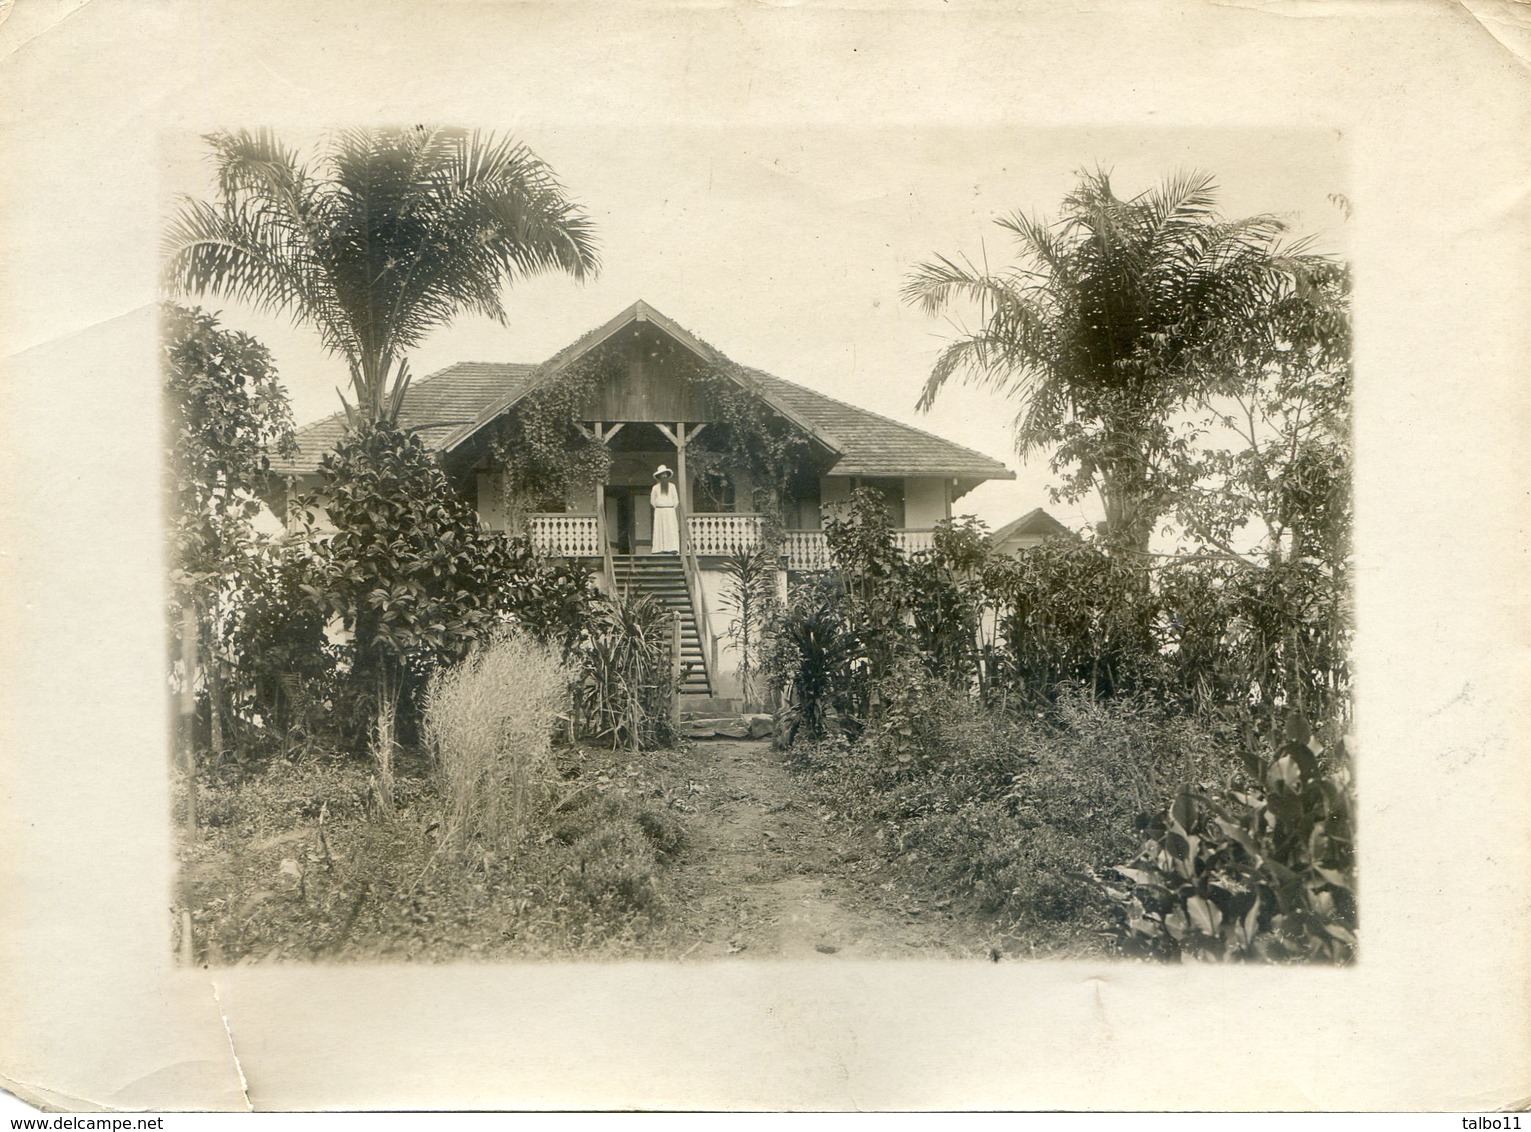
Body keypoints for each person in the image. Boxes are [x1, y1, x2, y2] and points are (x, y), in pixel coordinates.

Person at [650, 465, 680, 554]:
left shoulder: (672, 487)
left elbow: (676, 501)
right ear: (659, 477)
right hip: (659, 511)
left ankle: (672, 548)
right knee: (659, 529)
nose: (664, 477)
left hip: (670, 511)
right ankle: (659, 549)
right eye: (661, 475)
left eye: (665, 475)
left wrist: (669, 508)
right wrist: (660, 508)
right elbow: (652, 501)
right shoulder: (655, 488)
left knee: (670, 529)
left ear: (667, 475)